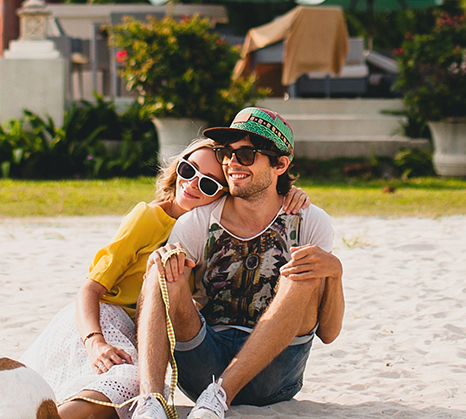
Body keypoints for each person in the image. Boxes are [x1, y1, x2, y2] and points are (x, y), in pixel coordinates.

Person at [21, 138, 310, 419]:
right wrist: (94, 340)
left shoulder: (208, 234)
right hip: (102, 320)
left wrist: (290, 194)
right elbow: (90, 288)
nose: (192, 183)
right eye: (188, 170)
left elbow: (257, 190)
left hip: (136, 335)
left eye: (208, 183)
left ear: (223, 194)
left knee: (116, 402)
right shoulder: (148, 218)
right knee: (128, 381)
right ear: (177, 169)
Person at [132, 108, 345, 419]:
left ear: (280, 164)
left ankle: (223, 395)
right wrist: (162, 266)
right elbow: (162, 296)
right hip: (204, 364)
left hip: (275, 372)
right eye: (226, 153)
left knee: (304, 270)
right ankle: (150, 401)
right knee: (162, 267)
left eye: (246, 154)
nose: (231, 163)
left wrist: (334, 272)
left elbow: (329, 333)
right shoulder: (198, 222)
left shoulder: (310, 222)